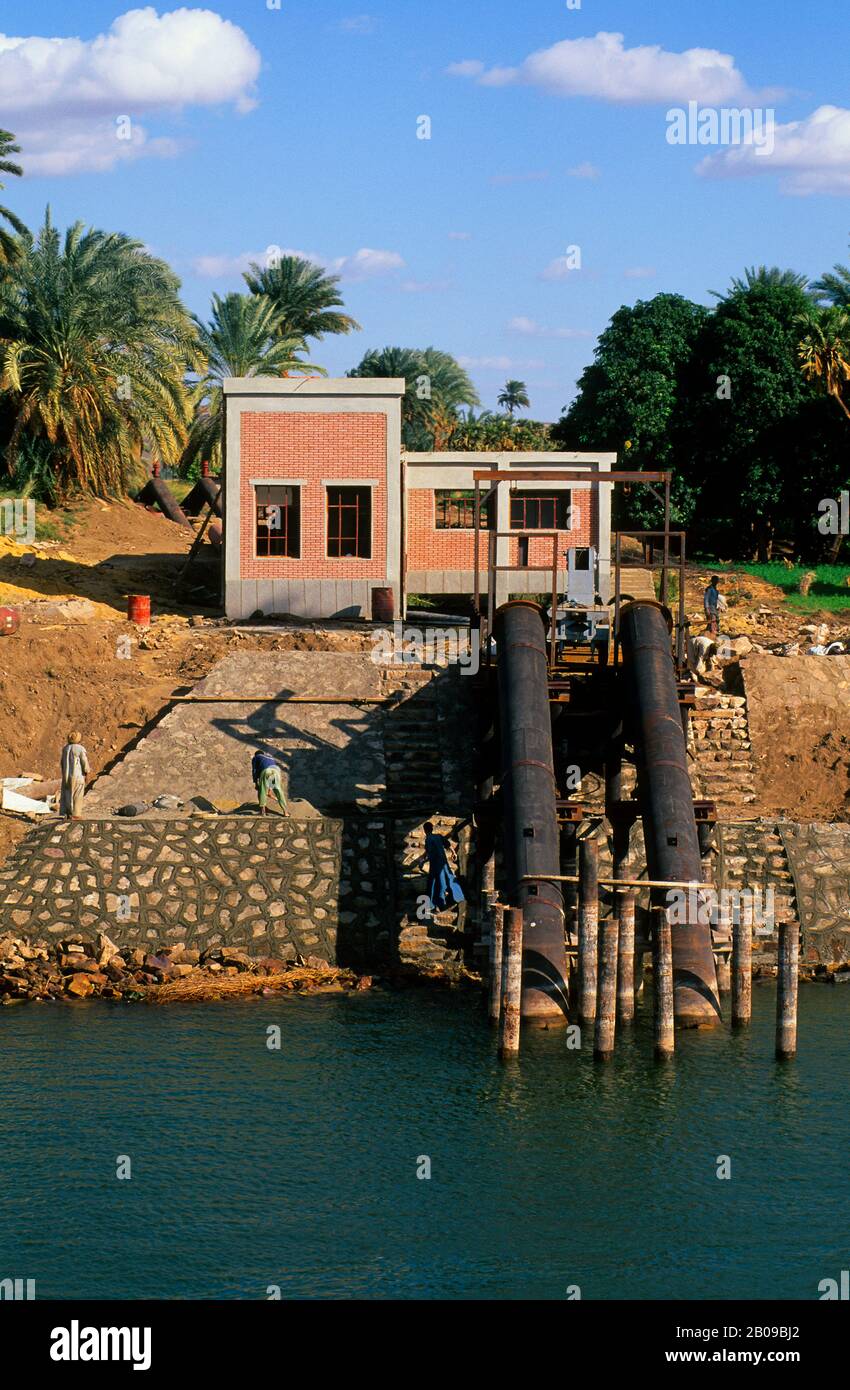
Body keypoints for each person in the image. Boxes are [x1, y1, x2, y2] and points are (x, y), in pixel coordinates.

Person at [422, 821, 465, 913]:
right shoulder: (438, 836)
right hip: (443, 863)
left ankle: (438, 904)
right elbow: (448, 844)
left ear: (424, 830)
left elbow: (430, 853)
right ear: (432, 829)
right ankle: (458, 897)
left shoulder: (428, 839)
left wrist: (423, 861)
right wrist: (454, 853)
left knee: (435, 883)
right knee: (449, 879)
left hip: (436, 864)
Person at [60, 731, 90, 819]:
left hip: (66, 775)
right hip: (77, 775)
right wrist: (87, 771)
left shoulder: (65, 749)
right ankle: (76, 814)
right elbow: (84, 761)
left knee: (68, 793)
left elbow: (62, 763)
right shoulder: (80, 749)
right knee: (78, 794)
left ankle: (68, 813)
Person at [251, 749, 287, 816]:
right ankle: (285, 812)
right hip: (276, 771)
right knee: (278, 790)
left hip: (266, 771)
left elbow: (254, 770)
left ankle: (263, 812)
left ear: (256, 754)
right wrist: (270, 789)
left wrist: (256, 783)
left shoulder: (256, 757)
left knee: (262, 791)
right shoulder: (270, 758)